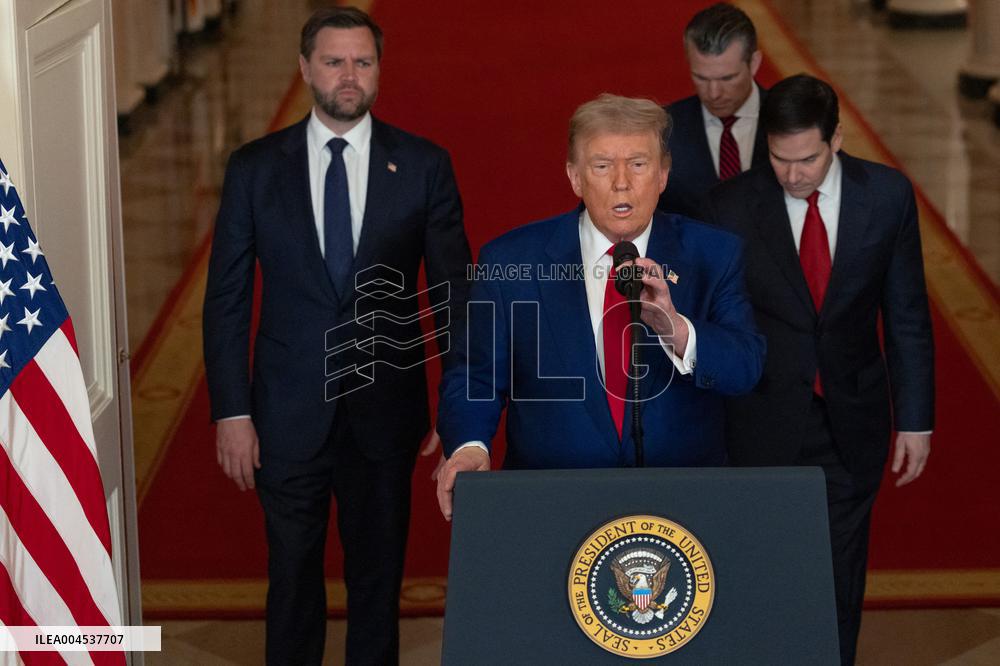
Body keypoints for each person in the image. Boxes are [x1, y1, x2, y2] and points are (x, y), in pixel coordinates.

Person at [201, 7, 471, 665]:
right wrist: (232, 410)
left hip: (386, 410)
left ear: (378, 69)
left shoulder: (425, 165)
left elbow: (455, 298)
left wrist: (455, 406)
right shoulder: (254, 168)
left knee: (377, 581)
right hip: (285, 413)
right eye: (333, 61)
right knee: (292, 576)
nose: (349, 76)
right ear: (304, 69)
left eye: (362, 61)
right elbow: (228, 299)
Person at [435, 94, 765, 520]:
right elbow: (475, 375)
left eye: (639, 164)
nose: (622, 182)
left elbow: (746, 368)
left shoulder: (714, 254)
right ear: (575, 177)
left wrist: (676, 330)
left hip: (682, 506)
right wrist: (468, 446)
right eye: (602, 166)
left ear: (663, 175)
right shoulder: (511, 260)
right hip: (550, 504)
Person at [702, 74, 934, 665]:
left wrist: (915, 420)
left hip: (850, 419)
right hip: (759, 420)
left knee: (839, 580)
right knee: (761, 577)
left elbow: (905, 314)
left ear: (836, 138)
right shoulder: (732, 206)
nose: (793, 174)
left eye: (806, 158)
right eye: (780, 159)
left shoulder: (886, 196)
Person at [658, 2, 769, 218]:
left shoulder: (792, 119)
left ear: (754, 63)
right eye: (701, 78)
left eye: (727, 78)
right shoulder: (665, 128)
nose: (714, 93)